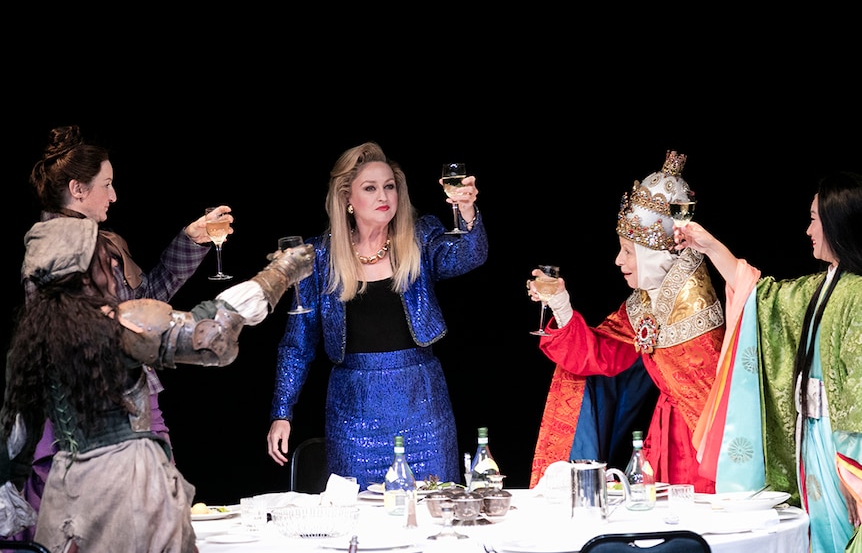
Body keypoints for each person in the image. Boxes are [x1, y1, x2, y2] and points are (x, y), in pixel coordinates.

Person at [0, 217, 314, 551]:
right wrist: (280, 273)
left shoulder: (32, 344)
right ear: (89, 274)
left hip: (67, 492)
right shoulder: (119, 326)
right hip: (126, 487)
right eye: (106, 261)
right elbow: (212, 335)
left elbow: (15, 442)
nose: (114, 268)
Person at [11, 125, 227, 542]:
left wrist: (191, 240)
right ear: (77, 188)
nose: (113, 196)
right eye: (106, 185)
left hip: (133, 396)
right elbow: (93, 333)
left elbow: (145, 302)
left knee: (152, 516)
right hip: (94, 408)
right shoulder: (56, 249)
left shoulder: (101, 244)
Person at [265, 142, 488, 490]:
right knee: (361, 517)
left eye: (389, 186)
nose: (383, 195)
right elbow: (298, 342)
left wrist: (467, 211)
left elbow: (469, 256)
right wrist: (282, 411)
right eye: (370, 188)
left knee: (433, 510)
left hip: (422, 405)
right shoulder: (319, 256)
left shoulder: (420, 236)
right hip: (354, 410)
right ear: (347, 200)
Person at [677, 171, 862, 553]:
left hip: (842, 447)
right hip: (812, 437)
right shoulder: (820, 286)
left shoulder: (858, 294)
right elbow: (759, 296)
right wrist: (709, 246)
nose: (809, 229)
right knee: (821, 532)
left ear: (837, 222)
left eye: (814, 218)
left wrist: (855, 475)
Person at [528, 150, 724, 492]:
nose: (619, 260)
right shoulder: (646, 300)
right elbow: (600, 355)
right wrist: (561, 305)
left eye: (629, 251)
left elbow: (707, 401)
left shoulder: (693, 303)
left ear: (655, 254)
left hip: (699, 449)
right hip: (662, 442)